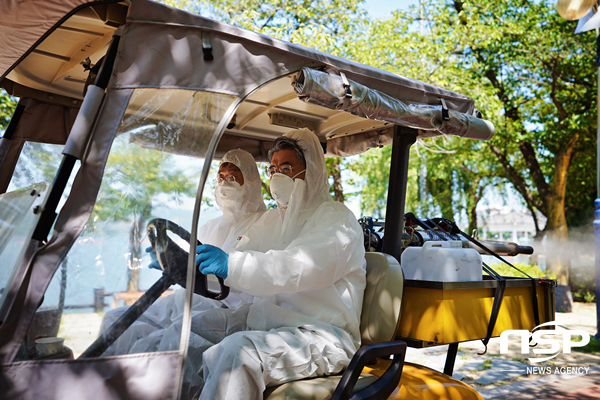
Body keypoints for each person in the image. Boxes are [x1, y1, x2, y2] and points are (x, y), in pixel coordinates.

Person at [194, 128, 366, 400]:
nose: (276, 176)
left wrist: (232, 265)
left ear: (312, 171)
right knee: (194, 330)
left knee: (240, 352)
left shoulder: (337, 221)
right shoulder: (275, 220)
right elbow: (239, 250)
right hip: (271, 322)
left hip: (323, 334)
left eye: (286, 168)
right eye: (273, 169)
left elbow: (297, 267)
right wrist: (192, 264)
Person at [100, 148, 266, 355]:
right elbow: (191, 261)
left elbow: (261, 279)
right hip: (189, 298)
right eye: (221, 178)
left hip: (229, 307)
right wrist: (166, 259)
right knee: (113, 320)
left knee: (156, 342)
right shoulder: (210, 226)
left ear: (249, 181)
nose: (225, 184)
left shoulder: (265, 224)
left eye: (232, 177)